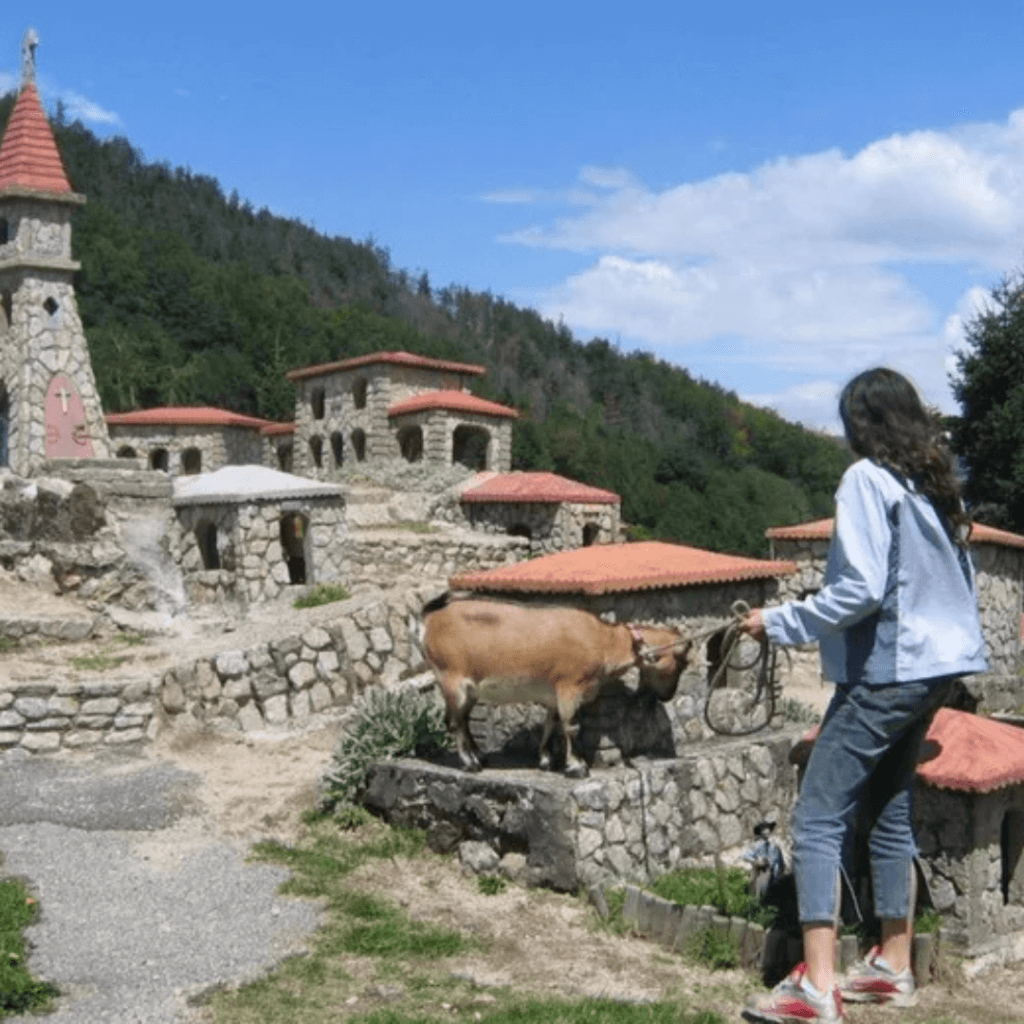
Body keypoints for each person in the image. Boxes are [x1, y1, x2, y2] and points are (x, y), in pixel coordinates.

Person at [740, 367, 987, 1024]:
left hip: (889, 668)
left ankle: (816, 989)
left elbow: (859, 592)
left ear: (859, 426)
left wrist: (778, 622)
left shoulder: (865, 482)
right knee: (887, 809)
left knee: (818, 814)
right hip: (938, 671)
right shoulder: (933, 489)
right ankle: (892, 966)